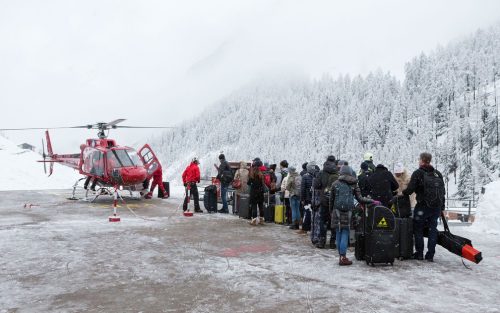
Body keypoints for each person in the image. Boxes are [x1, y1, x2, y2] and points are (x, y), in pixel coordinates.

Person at [330, 165, 377, 266]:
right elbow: (360, 199)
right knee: (345, 232)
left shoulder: (335, 184)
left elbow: (331, 200)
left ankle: (341, 256)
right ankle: (343, 257)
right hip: (348, 212)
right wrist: (372, 201)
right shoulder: (354, 184)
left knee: (338, 232)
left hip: (336, 211)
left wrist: (331, 211)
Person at [403, 152, 446, 262]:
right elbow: (442, 192)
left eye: (419, 159)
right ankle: (430, 255)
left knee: (418, 229)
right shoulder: (438, 174)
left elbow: (410, 190)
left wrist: (403, 192)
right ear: (429, 160)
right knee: (432, 230)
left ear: (422, 160)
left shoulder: (418, 173)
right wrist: (442, 207)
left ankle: (419, 253)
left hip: (423, 206)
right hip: (436, 207)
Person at [313, 155, 338, 249]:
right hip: (335, 200)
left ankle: (322, 242)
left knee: (323, 221)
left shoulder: (321, 172)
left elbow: (316, 185)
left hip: (324, 200)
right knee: (333, 221)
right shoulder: (337, 172)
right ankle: (332, 242)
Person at [299, 161, 317, 234]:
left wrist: (302, 199)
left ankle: (305, 228)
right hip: (315, 198)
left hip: (307, 199)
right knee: (313, 214)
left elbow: (303, 189)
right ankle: (312, 228)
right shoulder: (317, 176)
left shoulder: (305, 176)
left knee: (307, 213)